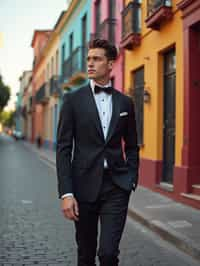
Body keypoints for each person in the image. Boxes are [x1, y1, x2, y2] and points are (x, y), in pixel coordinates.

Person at [56, 39, 140, 266]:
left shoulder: (125, 103)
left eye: (97, 59)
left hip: (116, 186)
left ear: (110, 64)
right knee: (86, 254)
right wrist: (66, 193)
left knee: (108, 254)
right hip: (83, 187)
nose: (90, 63)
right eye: (89, 59)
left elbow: (132, 145)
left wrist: (131, 178)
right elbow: (63, 148)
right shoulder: (72, 100)